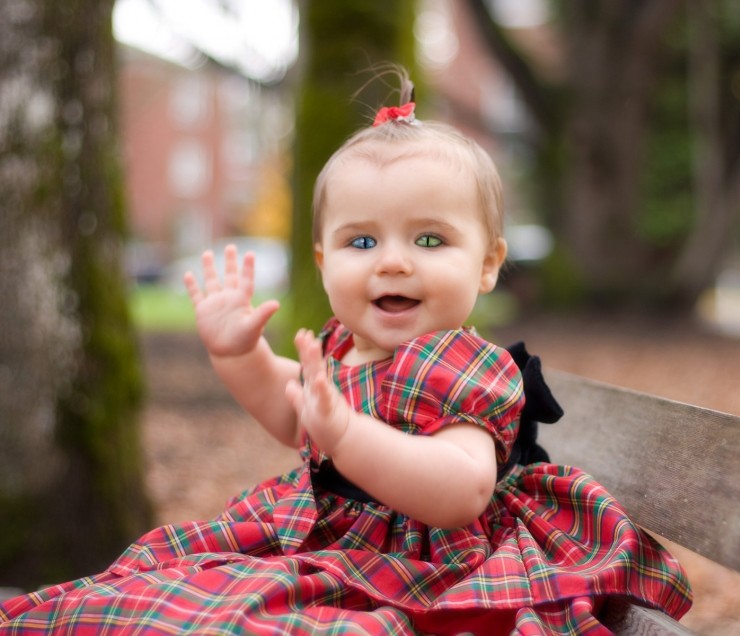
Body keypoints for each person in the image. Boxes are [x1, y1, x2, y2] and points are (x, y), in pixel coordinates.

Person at [0, 70, 691, 634]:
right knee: (157, 593)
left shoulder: (460, 366)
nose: (392, 263)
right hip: (328, 543)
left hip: (425, 573)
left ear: (488, 264)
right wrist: (239, 355)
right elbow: (292, 412)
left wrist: (349, 436)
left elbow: (460, 490)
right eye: (363, 242)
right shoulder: (342, 347)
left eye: (429, 240)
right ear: (323, 260)